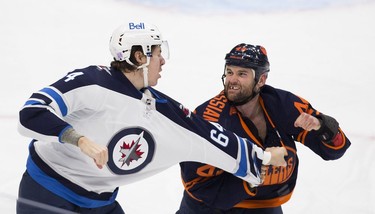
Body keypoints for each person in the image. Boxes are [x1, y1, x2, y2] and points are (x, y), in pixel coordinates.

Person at [16, 24, 288, 214]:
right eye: (158, 54)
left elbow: (206, 135)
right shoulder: (91, 82)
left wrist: (262, 157)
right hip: (46, 191)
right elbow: (31, 113)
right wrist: (80, 140)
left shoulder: (159, 107)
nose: (163, 62)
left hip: (98, 204)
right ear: (139, 57)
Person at [177, 43, 351, 214]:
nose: (232, 80)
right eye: (229, 72)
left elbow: (335, 149)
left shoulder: (284, 105)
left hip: (262, 205)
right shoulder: (210, 118)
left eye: (242, 74)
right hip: (209, 208)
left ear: (261, 80)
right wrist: (256, 172)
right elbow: (196, 183)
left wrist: (321, 127)